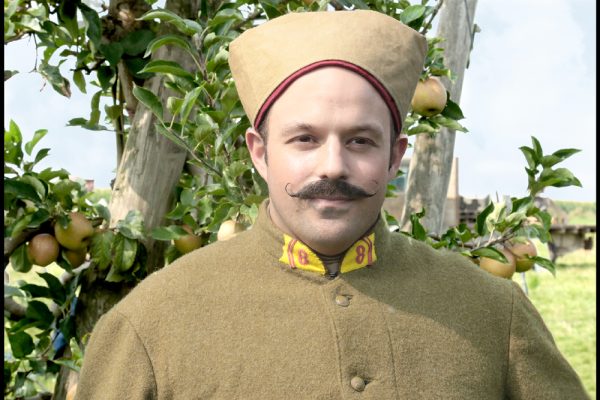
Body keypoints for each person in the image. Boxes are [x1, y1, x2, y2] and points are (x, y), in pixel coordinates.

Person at [75, 10, 588, 399]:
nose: (333, 167)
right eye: (304, 139)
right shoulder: (151, 324)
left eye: (361, 141)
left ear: (395, 156)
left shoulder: (495, 314)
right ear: (259, 153)